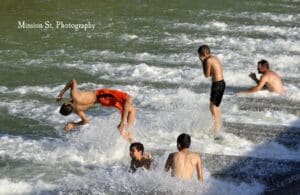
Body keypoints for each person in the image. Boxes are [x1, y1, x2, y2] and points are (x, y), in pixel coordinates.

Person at [56, 79, 136, 142]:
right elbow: (73, 81)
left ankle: (130, 138)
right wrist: (61, 94)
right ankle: (123, 125)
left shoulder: (78, 110)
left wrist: (74, 124)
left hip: (103, 102)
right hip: (101, 95)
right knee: (128, 99)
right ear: (66, 104)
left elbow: (85, 121)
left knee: (131, 109)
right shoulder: (74, 96)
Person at [198, 45, 226, 137]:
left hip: (217, 84)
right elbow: (211, 73)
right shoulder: (214, 58)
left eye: (200, 55)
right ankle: (218, 126)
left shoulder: (208, 60)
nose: (200, 57)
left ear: (204, 54)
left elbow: (206, 75)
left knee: (213, 107)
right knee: (215, 106)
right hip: (221, 83)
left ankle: (216, 128)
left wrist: (202, 62)